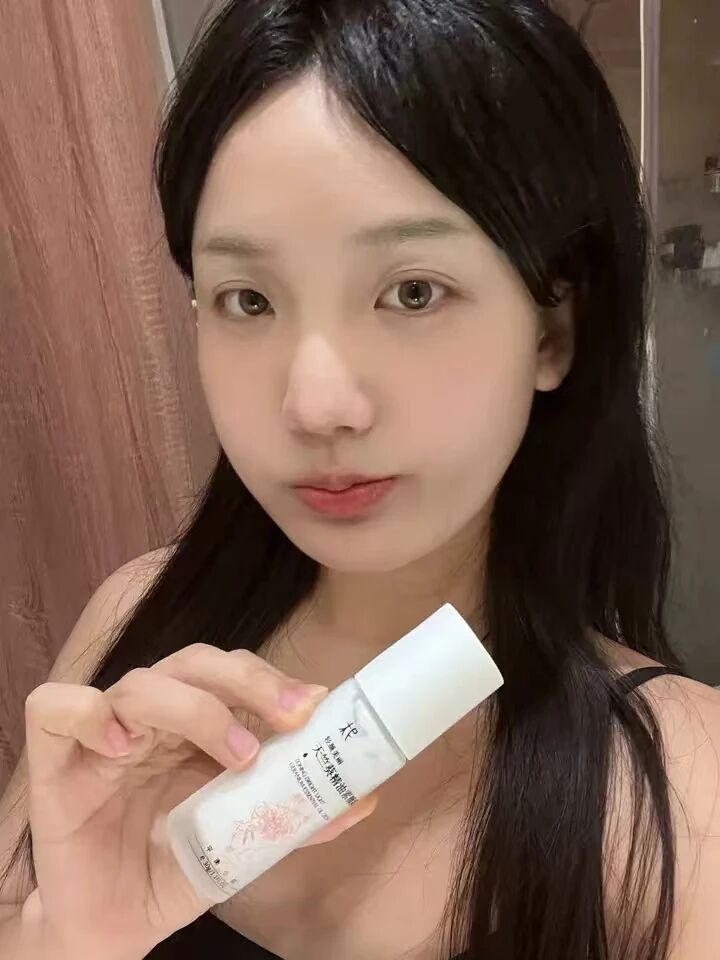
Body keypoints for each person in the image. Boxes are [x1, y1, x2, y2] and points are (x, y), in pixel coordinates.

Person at [1, 0, 718, 957]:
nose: (315, 405)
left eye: (412, 292)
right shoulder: (131, 628)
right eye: (247, 299)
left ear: (553, 330)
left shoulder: (687, 799)